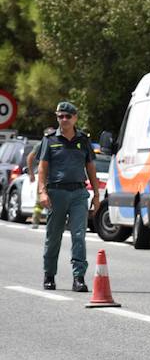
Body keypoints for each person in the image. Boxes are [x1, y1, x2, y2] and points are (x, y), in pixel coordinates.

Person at [38, 102, 101, 291]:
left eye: (67, 116)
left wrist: (96, 194)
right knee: (53, 236)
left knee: (79, 235)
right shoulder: (50, 140)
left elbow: (91, 168)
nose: (63, 119)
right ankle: (49, 275)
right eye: (60, 116)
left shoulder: (83, 140)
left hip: (78, 194)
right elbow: (42, 168)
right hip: (56, 193)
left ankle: (78, 277)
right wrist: (42, 191)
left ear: (75, 118)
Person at [27, 127, 57, 228]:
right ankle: (36, 221)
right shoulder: (41, 145)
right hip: (45, 176)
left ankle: (50, 222)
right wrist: (31, 173)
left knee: (53, 201)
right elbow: (30, 158)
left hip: (54, 176)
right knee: (40, 200)